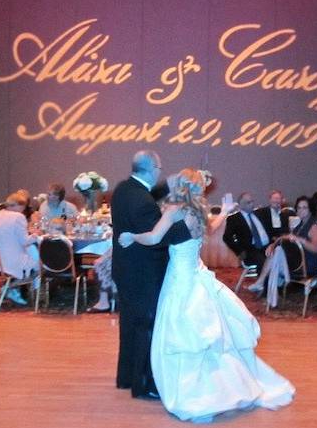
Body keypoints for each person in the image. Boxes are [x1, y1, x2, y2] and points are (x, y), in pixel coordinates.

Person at [118, 168, 294, 422]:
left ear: (181, 185)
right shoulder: (198, 209)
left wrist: (131, 237)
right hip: (195, 272)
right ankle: (220, 384)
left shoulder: (176, 208)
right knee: (203, 333)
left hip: (180, 276)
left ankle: (192, 390)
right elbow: (212, 227)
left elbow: (154, 236)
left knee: (184, 332)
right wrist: (224, 210)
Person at [111, 150, 191, 399]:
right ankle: (143, 383)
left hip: (125, 269)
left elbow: (145, 195)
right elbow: (158, 238)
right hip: (144, 272)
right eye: (160, 168)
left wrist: (167, 185)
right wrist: (190, 227)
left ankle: (126, 377)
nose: (161, 172)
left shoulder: (123, 189)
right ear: (152, 169)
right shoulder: (143, 202)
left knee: (129, 325)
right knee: (145, 325)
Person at [248, 196, 317, 296]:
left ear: (310, 209)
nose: (301, 210)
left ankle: (262, 283)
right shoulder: (301, 225)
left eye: (304, 208)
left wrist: (300, 240)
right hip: (297, 262)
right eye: (299, 208)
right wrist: (273, 244)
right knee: (276, 252)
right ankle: (265, 285)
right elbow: (287, 238)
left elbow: (315, 249)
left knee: (276, 254)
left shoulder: (313, 226)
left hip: (307, 265)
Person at [0, 193, 39, 306]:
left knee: (32, 255)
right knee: (40, 264)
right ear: (17, 205)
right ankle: (12, 288)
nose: (23, 211)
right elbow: (24, 241)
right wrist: (36, 235)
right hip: (13, 260)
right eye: (22, 208)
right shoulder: (18, 217)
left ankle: (14, 288)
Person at [223, 192, 270, 273]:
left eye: (252, 201)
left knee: (281, 255)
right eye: (248, 202)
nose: (252, 204)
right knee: (264, 261)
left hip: (267, 246)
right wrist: (239, 252)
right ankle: (262, 283)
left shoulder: (259, 214)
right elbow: (227, 237)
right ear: (241, 205)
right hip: (250, 250)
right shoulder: (234, 219)